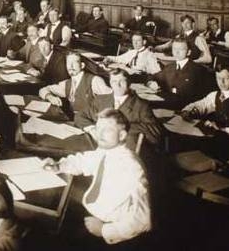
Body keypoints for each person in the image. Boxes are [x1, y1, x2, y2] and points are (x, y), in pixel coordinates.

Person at [43, 109, 151, 245]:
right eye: (98, 128)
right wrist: (59, 166)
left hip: (110, 230)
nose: (99, 134)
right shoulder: (106, 150)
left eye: (107, 130)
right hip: (91, 214)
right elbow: (83, 161)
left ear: (122, 135)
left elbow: (143, 220)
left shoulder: (132, 167)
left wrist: (104, 230)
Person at [89, 69, 163, 149]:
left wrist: (120, 127)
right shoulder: (101, 100)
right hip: (98, 143)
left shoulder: (141, 105)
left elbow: (154, 132)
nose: (118, 85)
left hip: (124, 147)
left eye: (122, 81)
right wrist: (91, 128)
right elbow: (81, 116)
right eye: (114, 81)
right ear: (110, 83)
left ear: (129, 83)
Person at [38, 51, 111, 128]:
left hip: (92, 125)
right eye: (68, 63)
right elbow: (43, 90)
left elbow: (112, 100)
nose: (71, 66)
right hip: (75, 123)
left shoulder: (95, 80)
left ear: (82, 65)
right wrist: (50, 97)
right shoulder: (66, 83)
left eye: (74, 62)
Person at [147, 38, 208, 109]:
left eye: (181, 49)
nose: (177, 52)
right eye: (174, 49)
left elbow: (192, 99)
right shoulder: (170, 67)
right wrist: (151, 83)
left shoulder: (198, 70)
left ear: (188, 52)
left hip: (184, 110)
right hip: (167, 106)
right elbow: (152, 77)